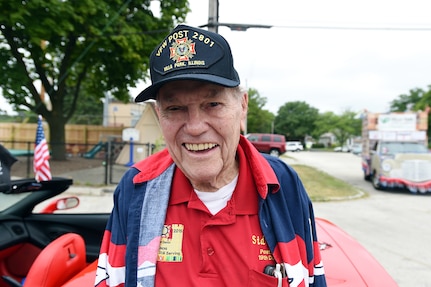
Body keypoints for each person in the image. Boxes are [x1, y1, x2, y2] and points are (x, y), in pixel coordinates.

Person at [95, 24, 327, 287]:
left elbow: (310, 276)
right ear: (159, 116)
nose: (194, 127)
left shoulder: (281, 183)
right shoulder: (137, 187)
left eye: (212, 104)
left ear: (242, 106)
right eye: (175, 108)